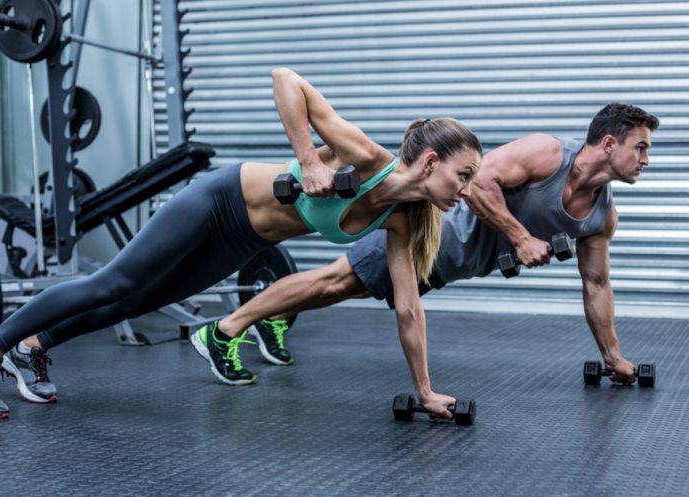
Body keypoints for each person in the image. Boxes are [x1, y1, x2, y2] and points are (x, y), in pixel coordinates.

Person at [0, 68, 482, 420]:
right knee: (114, 282)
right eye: (463, 175)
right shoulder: (365, 155)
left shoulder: (403, 223)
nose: (466, 189)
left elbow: (409, 310)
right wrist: (311, 159)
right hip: (217, 199)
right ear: (431, 162)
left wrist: (427, 390)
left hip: (242, 239)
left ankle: (32, 347)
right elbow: (285, 79)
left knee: (138, 301)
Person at [203, 103, 659, 385]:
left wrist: (612, 356)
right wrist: (520, 238)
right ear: (606, 143)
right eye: (640, 147)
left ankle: (272, 319)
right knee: (335, 281)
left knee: (349, 286)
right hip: (431, 234)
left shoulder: (602, 215)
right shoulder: (547, 153)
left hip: (450, 266)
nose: (645, 159)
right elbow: (478, 181)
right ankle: (226, 329)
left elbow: (597, 284)